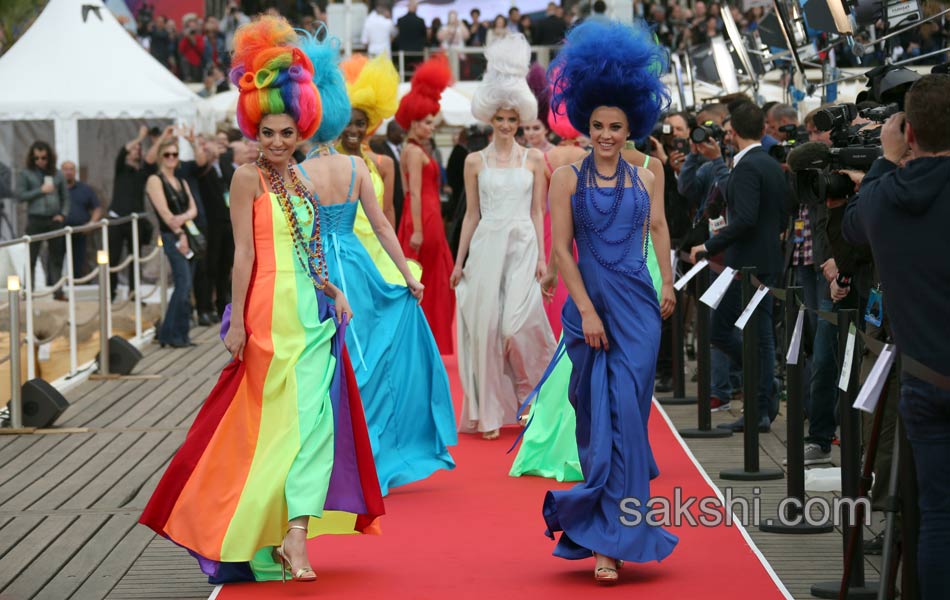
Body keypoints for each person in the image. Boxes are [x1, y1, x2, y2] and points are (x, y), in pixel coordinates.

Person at [140, 17, 383, 584]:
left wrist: (332, 289)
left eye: (286, 134)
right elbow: (243, 256)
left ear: (301, 131)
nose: (276, 142)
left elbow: (309, 248)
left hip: (312, 313)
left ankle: (294, 535)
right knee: (273, 429)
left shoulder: (301, 181)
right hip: (268, 316)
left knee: (317, 423)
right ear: (254, 130)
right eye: (267, 133)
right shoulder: (247, 178)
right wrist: (235, 322)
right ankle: (266, 533)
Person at [538, 20, 677, 583]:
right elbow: (563, 251)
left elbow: (662, 228)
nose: (606, 135)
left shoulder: (651, 174)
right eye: (597, 125)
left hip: (640, 310)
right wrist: (588, 311)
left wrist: (667, 283)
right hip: (588, 309)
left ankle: (613, 537)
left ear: (633, 126)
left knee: (628, 414)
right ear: (584, 124)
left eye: (616, 127)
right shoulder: (565, 177)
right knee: (597, 419)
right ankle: (601, 533)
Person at [299, 34, 456, 495]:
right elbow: (385, 228)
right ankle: (369, 456)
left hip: (318, 271)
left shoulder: (299, 174)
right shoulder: (355, 170)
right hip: (359, 264)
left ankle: (338, 461)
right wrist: (407, 276)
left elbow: (296, 234)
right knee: (364, 356)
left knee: (329, 361)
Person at [842, 74, 950, 600]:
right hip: (923, 377)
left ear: (908, 132)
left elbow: (852, 227)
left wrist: (886, 158)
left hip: (922, 377)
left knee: (936, 515)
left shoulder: (884, 197)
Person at [452, 34, 556, 441]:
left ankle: (535, 397)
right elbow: (471, 216)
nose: (508, 125)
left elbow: (537, 212)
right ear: (490, 119)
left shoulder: (535, 161)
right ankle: (492, 412)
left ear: (522, 119)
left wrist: (543, 260)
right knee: (488, 330)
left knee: (517, 325)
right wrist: (459, 262)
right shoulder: (474, 162)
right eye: (501, 119)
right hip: (485, 246)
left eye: (514, 119)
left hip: (523, 244)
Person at [689, 101, 788, 432]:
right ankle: (763, 393)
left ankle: (762, 398)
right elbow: (784, 209)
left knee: (738, 333)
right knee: (751, 334)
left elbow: (744, 217)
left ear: (731, 133)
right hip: (760, 261)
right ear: (762, 129)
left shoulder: (747, 167)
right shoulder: (771, 163)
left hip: (749, 266)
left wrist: (709, 245)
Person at [338, 53, 421, 285]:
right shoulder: (327, 161)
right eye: (347, 122)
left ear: (370, 125)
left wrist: (390, 254)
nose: (353, 129)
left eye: (360, 123)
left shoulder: (383, 163)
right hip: (340, 250)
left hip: (375, 248)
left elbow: (388, 213)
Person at [394, 54, 456, 354]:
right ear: (414, 122)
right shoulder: (415, 153)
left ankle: (423, 338)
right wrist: (418, 229)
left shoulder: (411, 149)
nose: (431, 127)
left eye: (432, 122)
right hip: (424, 218)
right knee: (430, 277)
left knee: (428, 276)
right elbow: (414, 192)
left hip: (423, 215)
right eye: (427, 122)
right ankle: (425, 337)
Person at [146, 138, 199, 348]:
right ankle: (171, 334)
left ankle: (178, 334)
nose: (171, 159)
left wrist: (183, 218)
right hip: (172, 236)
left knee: (186, 286)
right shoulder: (155, 180)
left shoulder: (181, 181)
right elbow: (164, 213)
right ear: (160, 156)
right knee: (182, 283)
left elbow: (193, 209)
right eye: (167, 154)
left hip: (187, 234)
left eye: (175, 155)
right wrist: (179, 230)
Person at [16, 141, 69, 297]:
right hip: (35, 219)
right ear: (32, 158)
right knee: (31, 256)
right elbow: (20, 196)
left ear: (49, 157)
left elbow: (65, 197)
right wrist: (40, 191)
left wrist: (63, 214)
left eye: (43, 158)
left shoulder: (57, 174)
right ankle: (28, 291)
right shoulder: (26, 174)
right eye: (36, 158)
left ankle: (58, 291)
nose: (40, 161)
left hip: (54, 220)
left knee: (56, 257)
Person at [61, 161, 102, 277]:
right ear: (61, 171)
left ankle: (79, 286)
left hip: (80, 231)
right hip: (59, 231)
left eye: (71, 169)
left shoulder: (85, 189)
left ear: (75, 171)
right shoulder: (56, 189)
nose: (68, 172)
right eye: (65, 169)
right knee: (55, 261)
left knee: (79, 262)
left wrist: (91, 223)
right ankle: (55, 290)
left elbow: (97, 208)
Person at [370, 120, 406, 225]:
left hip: (400, 200)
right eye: (400, 131)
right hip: (388, 198)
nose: (403, 134)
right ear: (391, 132)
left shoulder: (402, 149)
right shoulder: (380, 148)